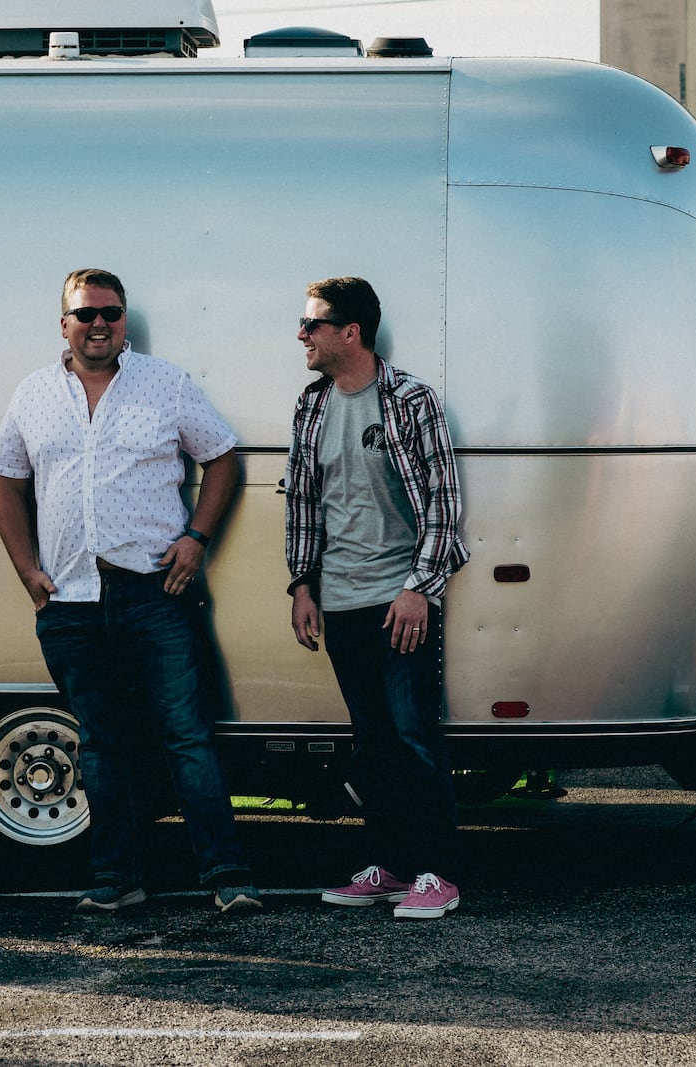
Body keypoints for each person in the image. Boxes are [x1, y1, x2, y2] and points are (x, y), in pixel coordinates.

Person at [0, 268, 261, 915]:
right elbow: (5, 482)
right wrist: (28, 569)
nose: (99, 323)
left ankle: (228, 875)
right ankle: (118, 879)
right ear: (65, 324)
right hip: (70, 604)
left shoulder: (164, 382)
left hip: (153, 594)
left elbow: (222, 457)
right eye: (85, 314)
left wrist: (196, 536)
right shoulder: (32, 394)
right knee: (102, 745)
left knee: (186, 736)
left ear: (124, 319)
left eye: (110, 312)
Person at [284, 276, 469, 920]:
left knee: (415, 736)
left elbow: (445, 509)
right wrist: (303, 585)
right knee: (372, 744)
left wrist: (420, 589)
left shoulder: (411, 401)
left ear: (350, 332)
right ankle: (390, 867)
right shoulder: (311, 406)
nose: (301, 335)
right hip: (341, 601)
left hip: (401, 602)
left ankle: (437, 875)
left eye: (311, 325)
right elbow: (305, 506)